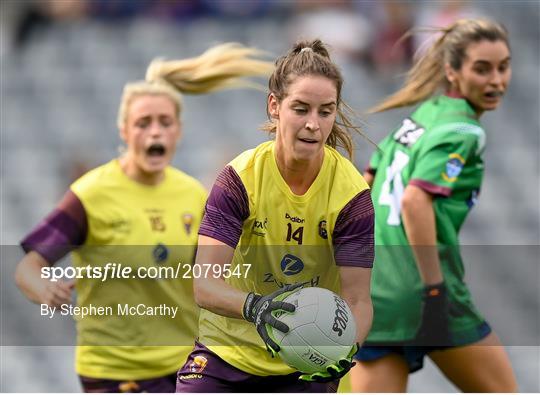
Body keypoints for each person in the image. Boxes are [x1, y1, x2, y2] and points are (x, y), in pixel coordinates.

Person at [14, 43, 274, 393]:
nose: (154, 132)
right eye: (143, 123)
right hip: (115, 373)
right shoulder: (91, 194)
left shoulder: (193, 195)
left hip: (185, 365)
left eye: (164, 123)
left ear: (177, 131)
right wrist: (45, 288)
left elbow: (215, 274)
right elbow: (28, 267)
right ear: (124, 131)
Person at [175, 39, 375, 393]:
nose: (313, 124)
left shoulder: (351, 195)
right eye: (301, 109)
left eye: (325, 111)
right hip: (226, 355)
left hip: (303, 365)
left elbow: (358, 299)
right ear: (274, 106)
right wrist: (257, 307)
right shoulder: (239, 179)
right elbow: (204, 284)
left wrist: (346, 347)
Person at [350, 18, 518, 392]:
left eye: (503, 67)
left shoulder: (418, 118)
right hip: (424, 291)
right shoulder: (463, 130)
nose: (496, 80)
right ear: (452, 71)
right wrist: (435, 290)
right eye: (482, 69)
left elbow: (366, 184)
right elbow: (414, 200)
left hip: (379, 293)